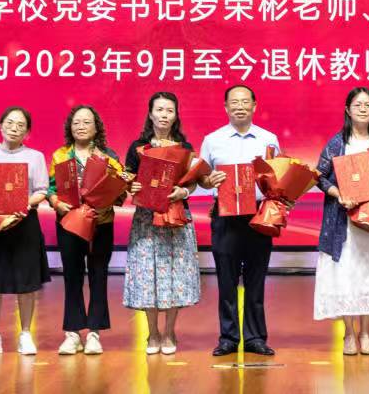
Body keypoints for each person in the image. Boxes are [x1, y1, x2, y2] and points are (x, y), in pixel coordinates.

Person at [313, 87, 369, 355]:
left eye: (368, 105)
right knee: (346, 274)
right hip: (344, 222)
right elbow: (319, 177)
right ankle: (349, 333)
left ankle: (366, 333)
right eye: (358, 104)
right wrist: (339, 194)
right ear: (348, 110)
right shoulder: (337, 143)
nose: (363, 109)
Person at [200, 84, 280, 357]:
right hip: (225, 215)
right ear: (225, 107)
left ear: (255, 106)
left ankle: (255, 337)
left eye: (245, 101)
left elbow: (277, 177)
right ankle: (229, 338)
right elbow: (201, 177)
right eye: (234, 102)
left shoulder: (269, 139)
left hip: (258, 214)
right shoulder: (213, 140)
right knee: (226, 281)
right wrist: (208, 180)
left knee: (256, 279)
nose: (240, 106)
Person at [123, 92, 201, 355]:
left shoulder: (185, 147)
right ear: (150, 114)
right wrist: (131, 185)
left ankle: (169, 332)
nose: (164, 115)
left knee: (174, 274)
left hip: (176, 216)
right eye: (159, 110)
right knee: (148, 275)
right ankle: (152, 333)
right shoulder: (138, 147)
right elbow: (128, 178)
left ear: (176, 115)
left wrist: (184, 191)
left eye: (169, 110)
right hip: (146, 219)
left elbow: (192, 180)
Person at [0, 107, 50, 357]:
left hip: (24, 223)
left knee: (26, 282)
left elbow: (42, 190)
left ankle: (25, 334)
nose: (14, 128)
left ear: (27, 131)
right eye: (9, 123)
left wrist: (25, 202)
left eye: (20, 125)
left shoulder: (35, 157)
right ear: (0, 126)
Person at [48, 105, 126, 356]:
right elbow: (50, 188)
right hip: (69, 223)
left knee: (98, 276)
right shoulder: (60, 155)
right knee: (72, 277)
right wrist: (56, 203)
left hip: (101, 224)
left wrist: (112, 194)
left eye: (86, 122)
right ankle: (72, 333)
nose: (81, 126)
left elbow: (121, 189)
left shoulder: (109, 156)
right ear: (70, 128)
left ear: (96, 127)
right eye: (76, 122)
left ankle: (94, 332)